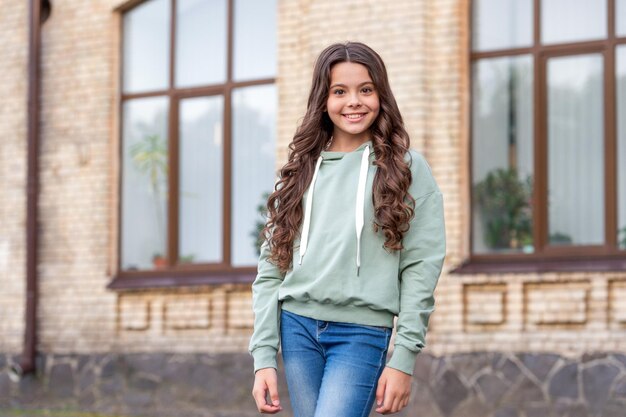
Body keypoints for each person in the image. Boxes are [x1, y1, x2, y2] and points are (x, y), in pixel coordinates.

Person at [249, 41, 446, 417]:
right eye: (340, 91)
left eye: (365, 90)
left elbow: (422, 265)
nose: (353, 101)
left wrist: (403, 357)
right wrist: (263, 357)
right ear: (323, 99)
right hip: (297, 329)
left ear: (381, 95)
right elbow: (271, 268)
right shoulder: (302, 170)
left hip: (361, 332)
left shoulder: (406, 169)